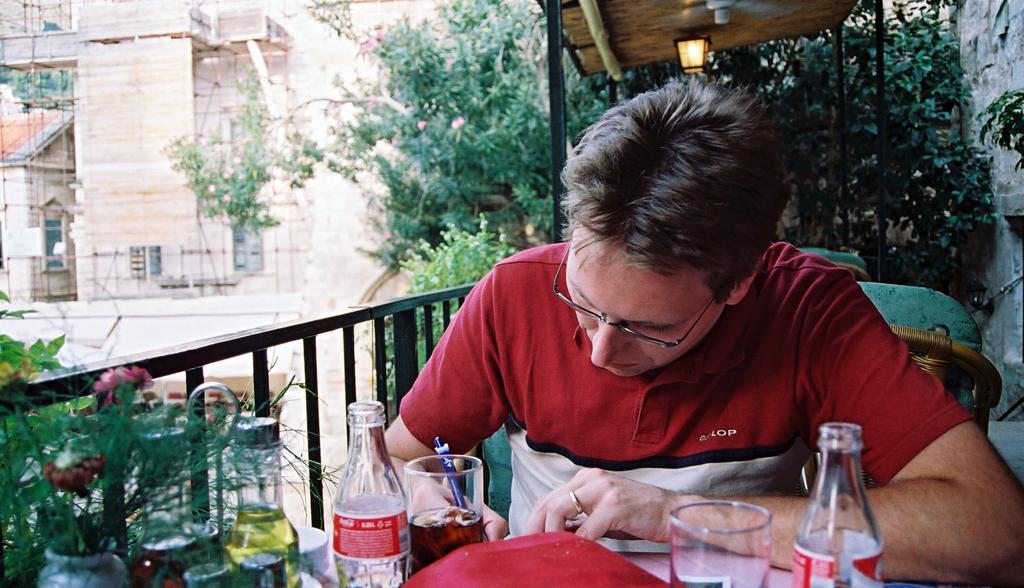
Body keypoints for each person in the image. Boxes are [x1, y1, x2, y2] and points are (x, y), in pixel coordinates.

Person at [385, 79, 1024, 583]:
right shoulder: (512, 294)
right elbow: (398, 458)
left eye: (649, 327)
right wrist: (434, 503)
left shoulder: (807, 309)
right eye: (581, 302)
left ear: (738, 282)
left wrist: (677, 515)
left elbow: (998, 533)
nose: (601, 351)